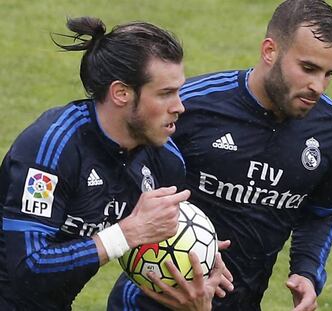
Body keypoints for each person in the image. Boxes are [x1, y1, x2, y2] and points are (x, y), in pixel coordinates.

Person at [108, 0, 332, 310]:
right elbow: (122, 183)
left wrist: (306, 271)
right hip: (151, 302)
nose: (318, 86)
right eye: (308, 68)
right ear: (270, 51)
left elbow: (322, 211)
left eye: (329, 73)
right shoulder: (192, 107)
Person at [0, 16, 228, 311]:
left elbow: (152, 244)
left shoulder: (165, 160)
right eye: (165, 93)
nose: (179, 106)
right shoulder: (50, 150)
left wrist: (197, 256)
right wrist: (128, 232)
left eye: (179, 91)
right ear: (121, 93)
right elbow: (27, 267)